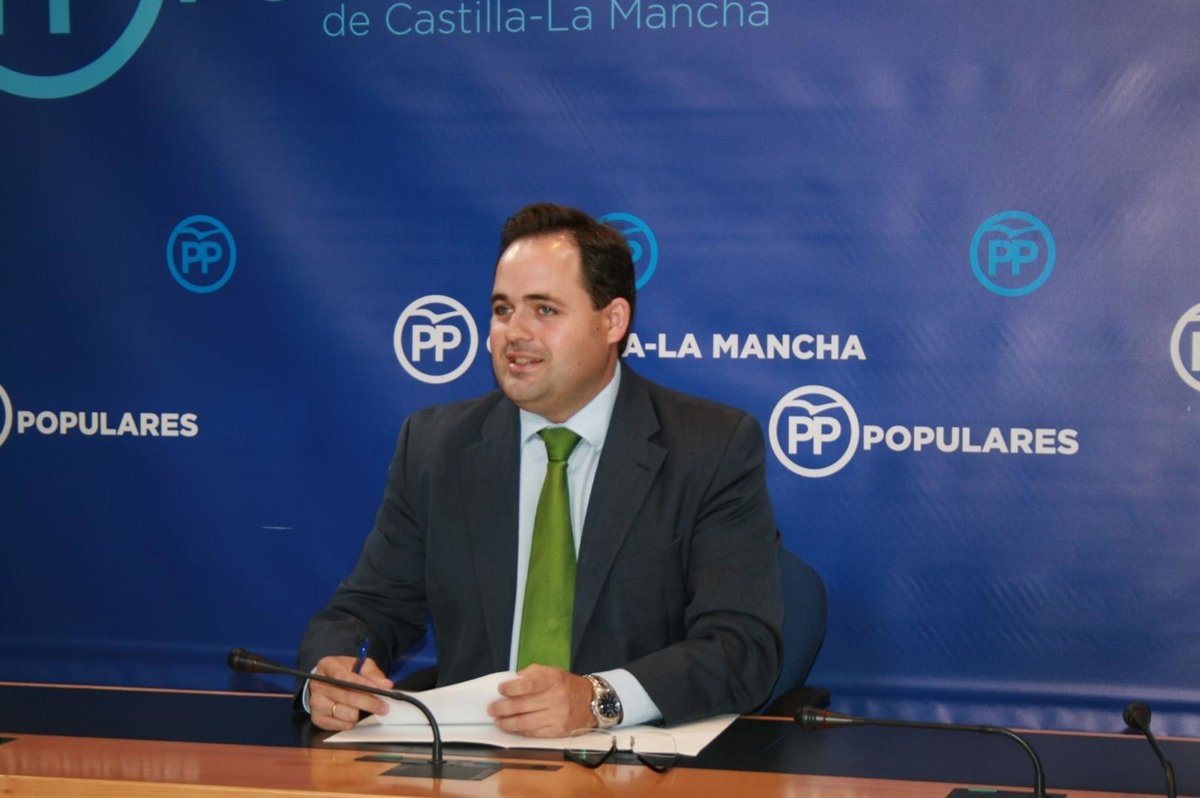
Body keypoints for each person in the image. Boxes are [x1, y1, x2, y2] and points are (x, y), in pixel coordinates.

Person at [297, 203, 783, 736]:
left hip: (633, 755)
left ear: (613, 321)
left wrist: (597, 699)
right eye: (502, 309)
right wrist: (334, 670)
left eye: (545, 310)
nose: (515, 332)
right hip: (469, 755)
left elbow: (742, 645)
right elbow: (368, 608)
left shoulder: (709, 448)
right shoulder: (436, 446)